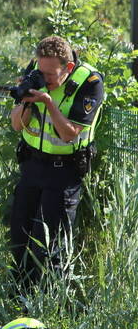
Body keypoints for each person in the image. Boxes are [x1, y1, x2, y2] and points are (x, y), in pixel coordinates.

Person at [8, 35, 104, 290]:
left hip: (64, 172)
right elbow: (17, 124)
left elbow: (69, 133)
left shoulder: (89, 82)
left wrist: (48, 102)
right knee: (20, 237)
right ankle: (19, 302)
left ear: (68, 68)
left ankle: (51, 306)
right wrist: (27, 102)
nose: (45, 78)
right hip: (31, 166)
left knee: (50, 247)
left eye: (51, 74)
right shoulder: (37, 72)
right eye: (42, 71)